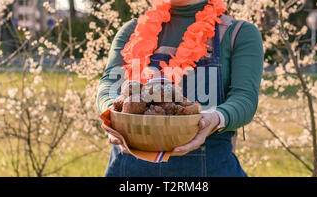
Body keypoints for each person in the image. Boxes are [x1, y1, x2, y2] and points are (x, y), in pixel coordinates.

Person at [97, 0, 263, 177]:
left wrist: (213, 119)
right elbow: (109, 84)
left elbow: (244, 99)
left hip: (210, 170)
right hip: (128, 170)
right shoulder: (132, 31)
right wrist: (113, 116)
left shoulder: (238, 33)